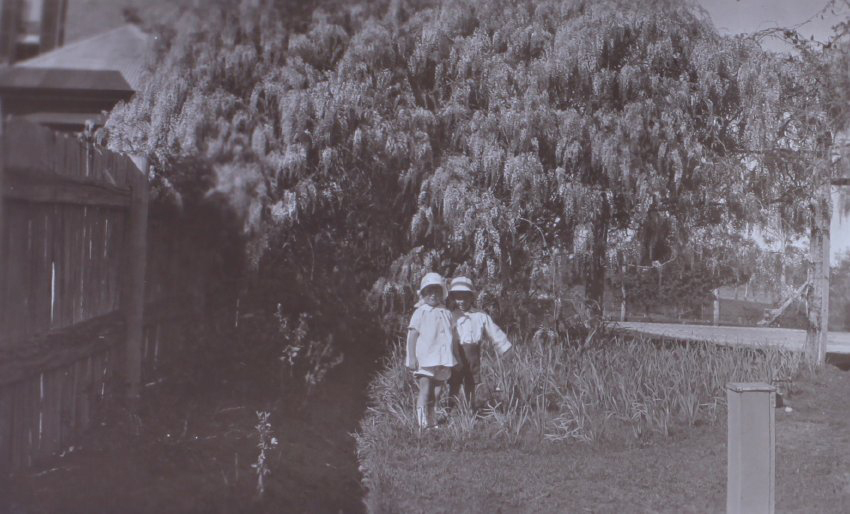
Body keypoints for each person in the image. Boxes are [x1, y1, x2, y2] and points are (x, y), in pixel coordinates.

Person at [447, 276, 512, 409]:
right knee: (454, 381)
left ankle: (470, 408)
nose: (462, 301)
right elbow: (441, 333)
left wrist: (503, 346)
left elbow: (493, 331)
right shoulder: (450, 315)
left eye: (465, 297)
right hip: (455, 353)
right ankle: (451, 407)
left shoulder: (480, 315)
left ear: (471, 297)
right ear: (453, 298)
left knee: (470, 381)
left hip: (472, 354)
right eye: (458, 297)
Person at [406, 272, 457, 429]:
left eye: (437, 291)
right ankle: (422, 424)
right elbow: (412, 336)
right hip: (426, 359)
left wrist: (455, 356)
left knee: (436, 392)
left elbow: (453, 336)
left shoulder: (447, 313)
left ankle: (432, 420)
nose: (433, 295)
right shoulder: (420, 312)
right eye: (429, 292)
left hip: (443, 359)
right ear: (423, 294)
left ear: (442, 294)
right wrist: (412, 357)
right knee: (425, 389)